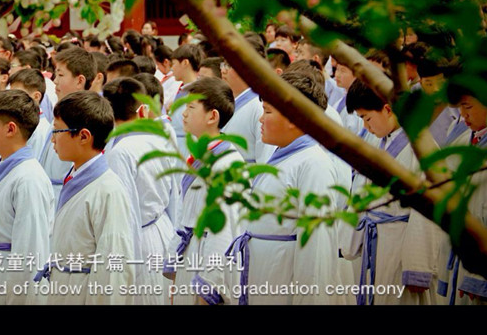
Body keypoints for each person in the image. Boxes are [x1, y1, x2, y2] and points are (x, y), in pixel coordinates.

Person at [222, 72, 341, 305]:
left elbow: (317, 248)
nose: (260, 119)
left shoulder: (313, 163)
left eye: (267, 112)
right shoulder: (283, 156)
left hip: (283, 281)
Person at [345, 80, 442, 305]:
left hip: (401, 246)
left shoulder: (422, 148)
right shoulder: (377, 140)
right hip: (377, 241)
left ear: (387, 110)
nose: (366, 126)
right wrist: (351, 238)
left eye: (367, 118)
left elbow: (427, 213)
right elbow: (361, 189)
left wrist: (417, 267)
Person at [35, 91, 137, 304]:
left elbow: (113, 269)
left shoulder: (108, 190)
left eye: (57, 131)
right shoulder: (74, 176)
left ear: (83, 136)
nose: (52, 139)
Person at [163, 77, 244, 305]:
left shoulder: (226, 165)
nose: (184, 114)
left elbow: (222, 235)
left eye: (191, 107)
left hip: (203, 263)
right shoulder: (203, 156)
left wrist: (207, 292)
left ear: (212, 116)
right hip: (192, 259)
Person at [0, 90, 54, 305]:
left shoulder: (29, 178)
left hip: (7, 279)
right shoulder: (6, 167)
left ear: (10, 129)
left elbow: (30, 252)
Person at [103, 78, 181, 305]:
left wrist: (128, 266)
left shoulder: (121, 151)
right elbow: (174, 195)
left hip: (140, 239)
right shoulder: (158, 137)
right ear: (142, 110)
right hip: (163, 228)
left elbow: (127, 214)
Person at [444, 79, 487, 305]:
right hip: (467, 258)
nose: (463, 115)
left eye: (467, 106)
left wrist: (485, 273)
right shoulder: (467, 139)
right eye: (460, 107)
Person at [39, 48, 94, 203]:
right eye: (55, 75)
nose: (55, 81)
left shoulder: (86, 117)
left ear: (80, 81)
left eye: (61, 75)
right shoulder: (62, 111)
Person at [220, 55, 274, 165]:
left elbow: (265, 157)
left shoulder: (259, 106)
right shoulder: (225, 101)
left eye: (229, 66)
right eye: (223, 65)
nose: (223, 70)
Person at [169, 44, 203, 157]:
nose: (172, 68)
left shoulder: (198, 91)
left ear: (185, 63)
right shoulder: (183, 89)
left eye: (173, 64)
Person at [9, 69, 51, 161]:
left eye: (17, 95)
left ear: (36, 96)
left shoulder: (39, 130)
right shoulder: (22, 121)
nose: (11, 99)